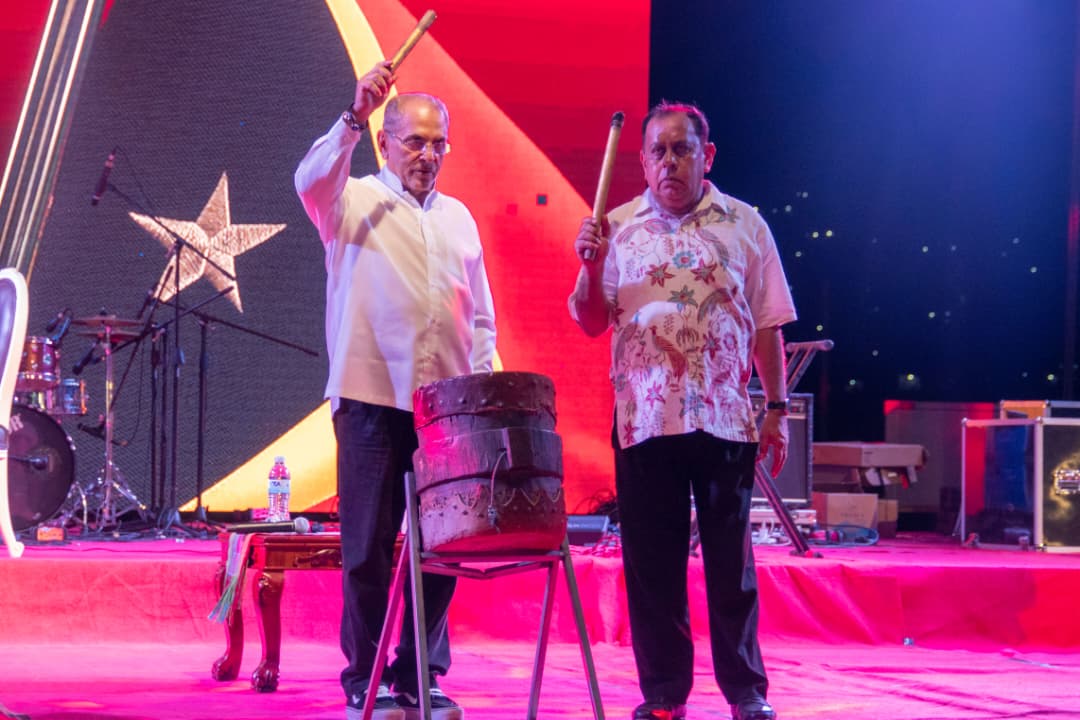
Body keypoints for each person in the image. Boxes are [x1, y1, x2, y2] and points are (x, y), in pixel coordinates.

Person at [568, 101, 793, 720]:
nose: (670, 162)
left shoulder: (745, 225)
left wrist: (776, 408)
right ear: (642, 163)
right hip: (644, 420)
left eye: (682, 149)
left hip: (724, 418)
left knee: (731, 565)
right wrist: (590, 266)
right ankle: (665, 694)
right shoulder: (615, 228)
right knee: (653, 567)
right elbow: (590, 321)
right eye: (658, 152)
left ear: (706, 155)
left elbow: (768, 324)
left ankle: (746, 691)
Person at [295, 61, 496, 720]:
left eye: (438, 144)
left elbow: (481, 319)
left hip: (444, 412)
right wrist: (352, 116)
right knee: (369, 548)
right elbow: (308, 179)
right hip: (370, 400)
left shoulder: (459, 219)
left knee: (442, 547)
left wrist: (480, 398)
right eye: (415, 142)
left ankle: (419, 672)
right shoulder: (349, 200)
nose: (427, 155)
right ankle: (367, 672)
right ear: (385, 142)